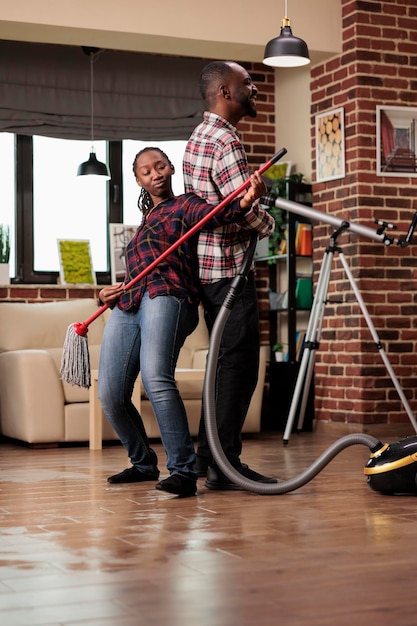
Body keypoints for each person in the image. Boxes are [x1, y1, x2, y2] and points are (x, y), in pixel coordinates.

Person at [98, 146, 267, 497]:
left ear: (171, 168)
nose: (155, 173)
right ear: (138, 180)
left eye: (160, 166)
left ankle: (183, 471)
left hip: (168, 295)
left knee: (156, 376)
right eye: (147, 171)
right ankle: (143, 463)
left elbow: (218, 214)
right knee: (111, 393)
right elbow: (130, 270)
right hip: (129, 301)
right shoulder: (143, 223)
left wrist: (246, 200)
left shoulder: (185, 204)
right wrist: (102, 295)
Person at [183, 60, 277, 490]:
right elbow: (240, 211)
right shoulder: (226, 141)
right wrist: (266, 220)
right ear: (224, 90)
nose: (253, 88)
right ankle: (226, 466)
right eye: (247, 83)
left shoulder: (197, 138)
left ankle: (209, 459)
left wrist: (246, 209)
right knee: (239, 368)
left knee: (223, 366)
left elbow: (213, 212)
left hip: (208, 271)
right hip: (229, 270)